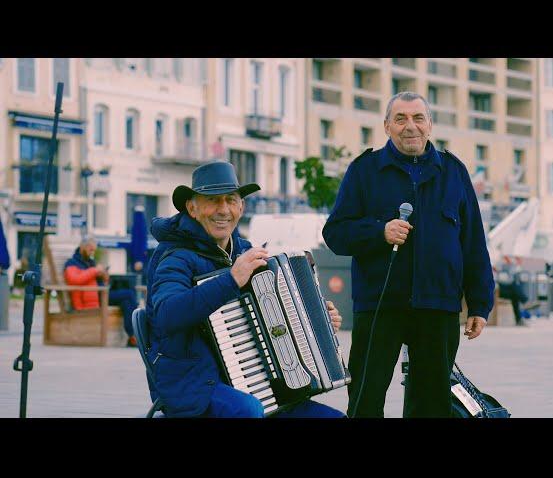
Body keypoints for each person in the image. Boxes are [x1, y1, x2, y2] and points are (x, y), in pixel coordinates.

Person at [322, 91, 495, 418]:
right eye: (400, 119)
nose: (409, 126)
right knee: (365, 398)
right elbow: (335, 233)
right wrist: (378, 232)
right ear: (387, 126)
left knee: (432, 404)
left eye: (418, 118)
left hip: (438, 306)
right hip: (379, 307)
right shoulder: (364, 170)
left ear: (430, 125)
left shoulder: (453, 172)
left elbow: (473, 243)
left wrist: (480, 303)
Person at [144, 161, 345, 418]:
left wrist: (318, 322)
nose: (223, 210)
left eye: (230, 200)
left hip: (254, 377)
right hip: (194, 382)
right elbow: (166, 314)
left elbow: (274, 317)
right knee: (248, 411)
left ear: (242, 207)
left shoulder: (243, 249)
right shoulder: (175, 257)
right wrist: (230, 280)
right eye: (213, 201)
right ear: (192, 208)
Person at [63, 235, 138, 346]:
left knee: (127, 300)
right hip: (90, 300)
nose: (92, 252)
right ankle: (135, 334)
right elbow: (75, 280)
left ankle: (132, 336)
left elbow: (102, 281)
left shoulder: (90, 262)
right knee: (129, 294)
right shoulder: (72, 263)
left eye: (94, 250)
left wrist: (103, 275)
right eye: (90, 249)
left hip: (100, 295)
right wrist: (94, 270)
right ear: (83, 247)